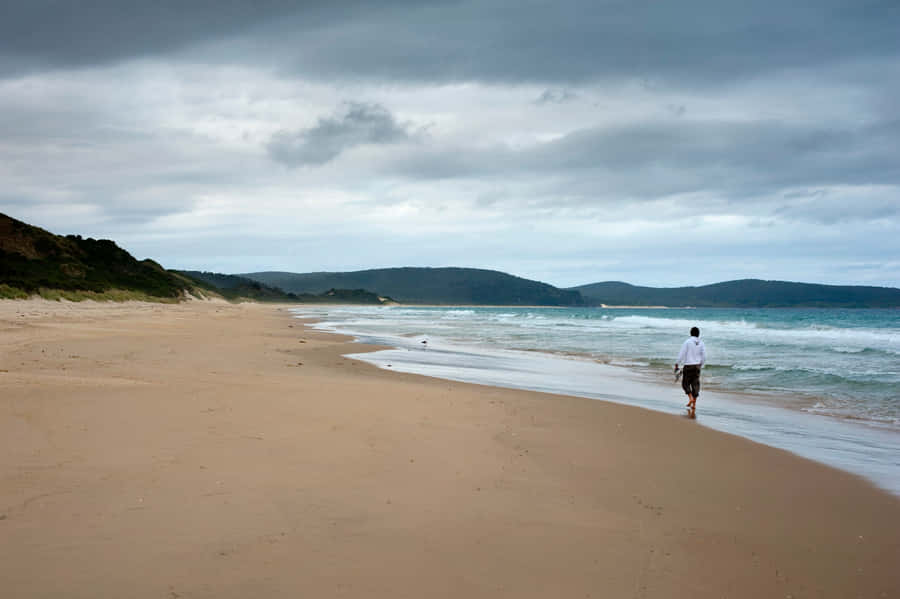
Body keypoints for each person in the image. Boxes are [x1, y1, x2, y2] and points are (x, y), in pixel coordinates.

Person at [675, 326, 706, 412]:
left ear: (691, 333)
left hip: (688, 365)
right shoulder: (702, 343)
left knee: (685, 383)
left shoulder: (687, 342)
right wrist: (701, 364)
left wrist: (677, 363)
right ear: (698, 334)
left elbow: (682, 353)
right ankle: (694, 405)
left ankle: (691, 398)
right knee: (695, 385)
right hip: (697, 366)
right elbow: (704, 356)